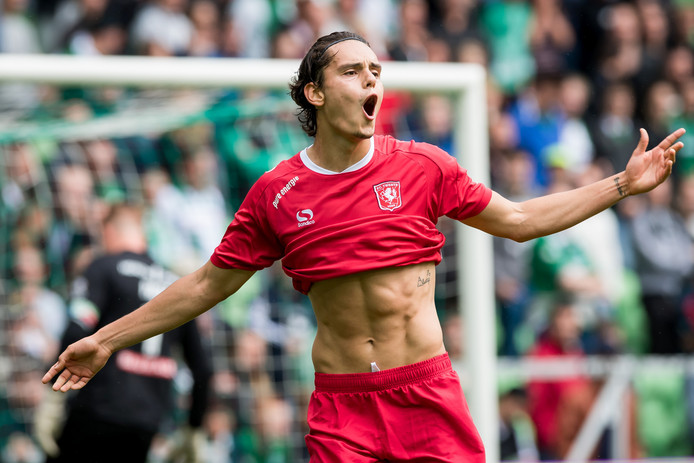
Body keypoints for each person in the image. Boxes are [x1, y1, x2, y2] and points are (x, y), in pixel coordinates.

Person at [42, 31, 685, 462]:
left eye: (375, 71)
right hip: (342, 408)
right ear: (316, 93)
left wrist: (621, 185)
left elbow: (517, 218)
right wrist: (107, 339)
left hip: (427, 395)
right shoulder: (276, 193)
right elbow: (207, 284)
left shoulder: (424, 166)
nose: (370, 80)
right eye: (352, 71)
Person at [35, 203, 212, 463]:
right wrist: (195, 427)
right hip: (146, 423)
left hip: (96, 413)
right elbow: (203, 369)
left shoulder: (104, 267)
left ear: (109, 231)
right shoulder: (175, 286)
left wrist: (53, 396)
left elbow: (77, 329)